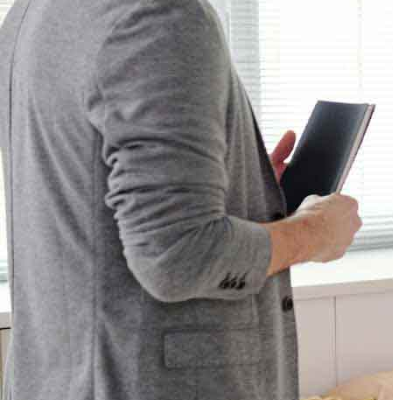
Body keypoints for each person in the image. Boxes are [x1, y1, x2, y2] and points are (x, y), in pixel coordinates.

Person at [0, 1, 363, 399]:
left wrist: (243, 188)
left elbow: (86, 200)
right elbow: (176, 257)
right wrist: (313, 233)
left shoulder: (35, 14)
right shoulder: (160, 15)